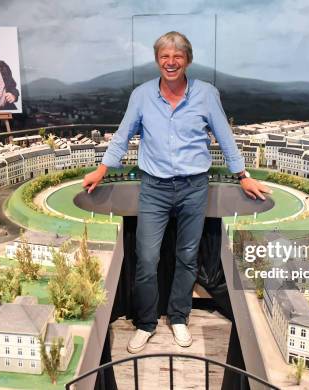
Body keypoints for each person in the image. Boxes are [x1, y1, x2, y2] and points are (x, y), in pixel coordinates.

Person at [82, 31, 271, 354]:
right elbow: (122, 135)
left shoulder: (207, 94)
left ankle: (179, 317)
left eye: (177, 56)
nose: (171, 62)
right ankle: (145, 323)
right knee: (146, 259)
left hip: (194, 187)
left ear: (188, 60)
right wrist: (102, 168)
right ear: (157, 60)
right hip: (153, 188)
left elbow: (225, 136)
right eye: (164, 57)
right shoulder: (141, 95)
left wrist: (243, 176)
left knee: (187, 257)